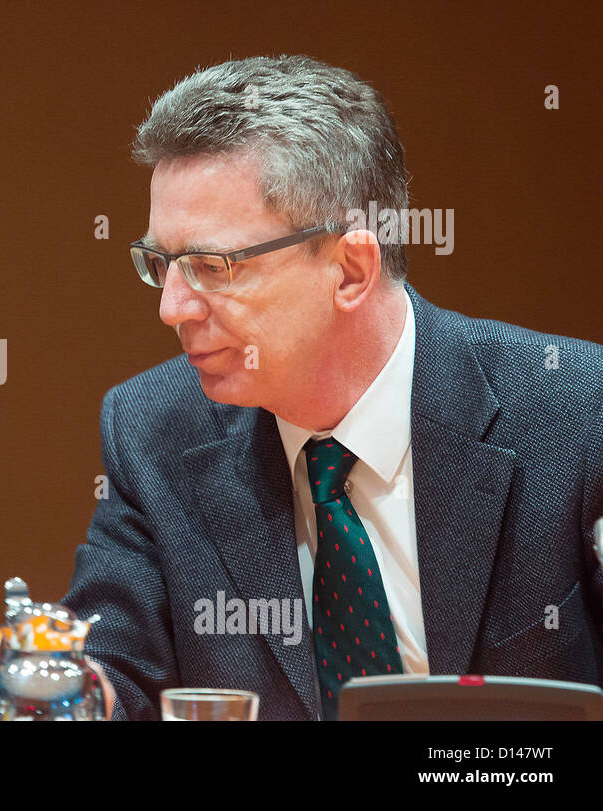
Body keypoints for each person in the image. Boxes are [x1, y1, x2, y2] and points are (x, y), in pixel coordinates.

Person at [62, 55, 603, 720]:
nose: (172, 307)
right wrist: (62, 696)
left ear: (350, 269)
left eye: (212, 264)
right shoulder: (154, 431)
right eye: (161, 263)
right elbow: (111, 664)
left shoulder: (577, 415)